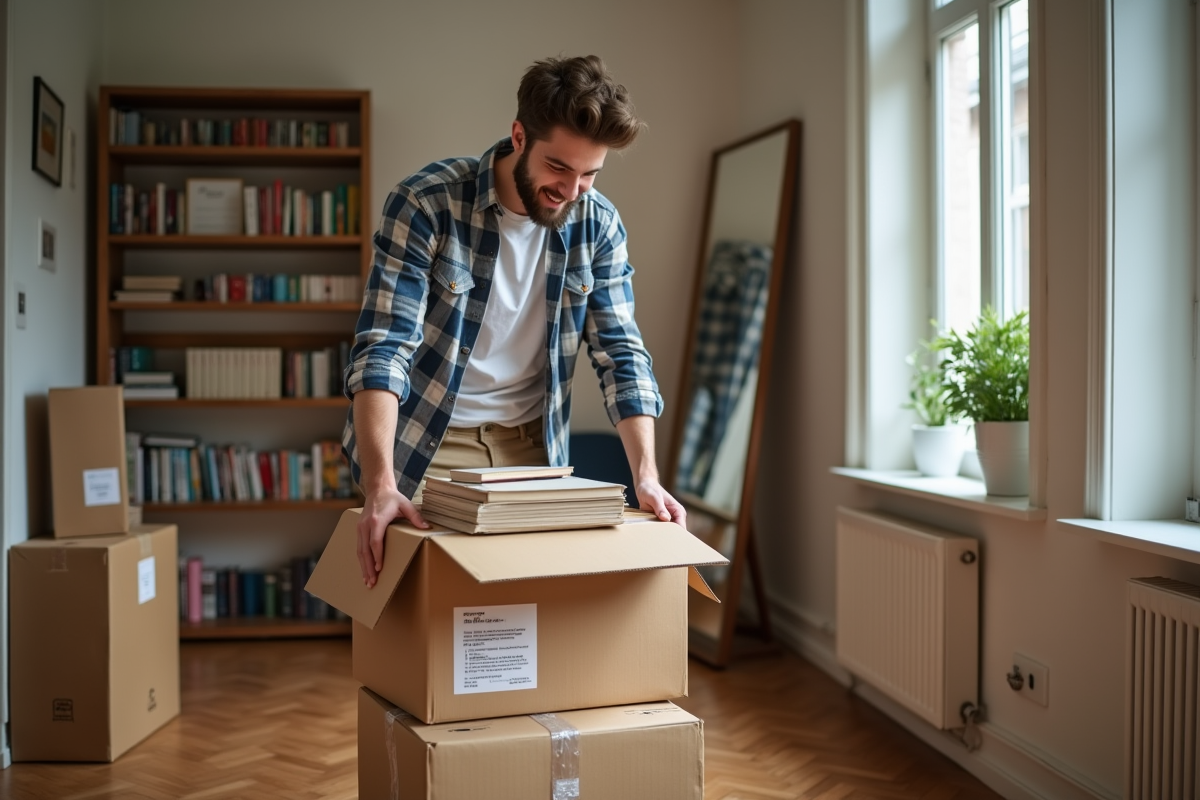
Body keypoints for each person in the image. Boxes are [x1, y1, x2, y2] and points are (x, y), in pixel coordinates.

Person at [343, 54, 686, 587]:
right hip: (426, 443)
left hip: (533, 449)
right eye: (559, 169)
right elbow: (384, 347)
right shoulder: (427, 202)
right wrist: (379, 483)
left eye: (589, 175)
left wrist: (646, 476)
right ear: (519, 136)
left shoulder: (598, 225)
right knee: (425, 621)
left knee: (521, 628)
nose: (572, 191)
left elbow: (621, 353)